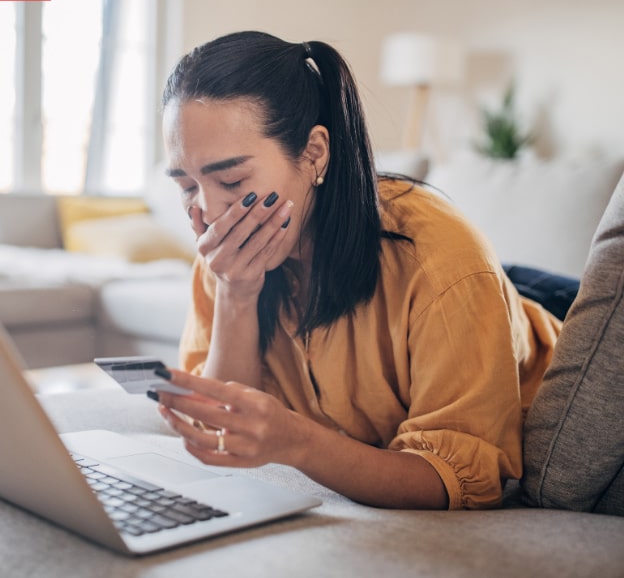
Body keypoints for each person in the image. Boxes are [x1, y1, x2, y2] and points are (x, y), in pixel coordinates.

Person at [149, 30, 561, 510]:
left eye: (231, 180)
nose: (207, 211)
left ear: (314, 154)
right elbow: (219, 426)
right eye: (185, 186)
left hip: (537, 329)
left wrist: (300, 442)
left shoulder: (441, 259)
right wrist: (236, 295)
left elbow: (459, 481)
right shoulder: (225, 251)